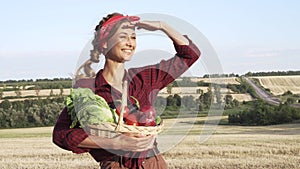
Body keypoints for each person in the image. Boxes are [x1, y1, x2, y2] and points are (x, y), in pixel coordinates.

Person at [52, 12, 201, 169]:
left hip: (152, 164)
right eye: (123, 36)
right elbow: (60, 135)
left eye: (133, 37)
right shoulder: (88, 89)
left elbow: (190, 55)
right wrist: (114, 143)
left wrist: (162, 26)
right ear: (104, 44)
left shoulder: (144, 79)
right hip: (117, 165)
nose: (130, 43)